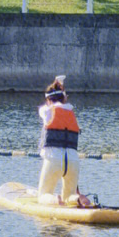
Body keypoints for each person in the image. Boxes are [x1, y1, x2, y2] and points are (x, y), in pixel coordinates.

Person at [36, 76, 88, 206]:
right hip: (73, 162)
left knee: (43, 195)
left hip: (53, 160)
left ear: (48, 100)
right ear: (64, 98)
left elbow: (49, 107)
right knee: (70, 194)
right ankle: (78, 199)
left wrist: (56, 87)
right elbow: (62, 102)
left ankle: (55, 199)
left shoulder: (46, 110)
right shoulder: (70, 111)